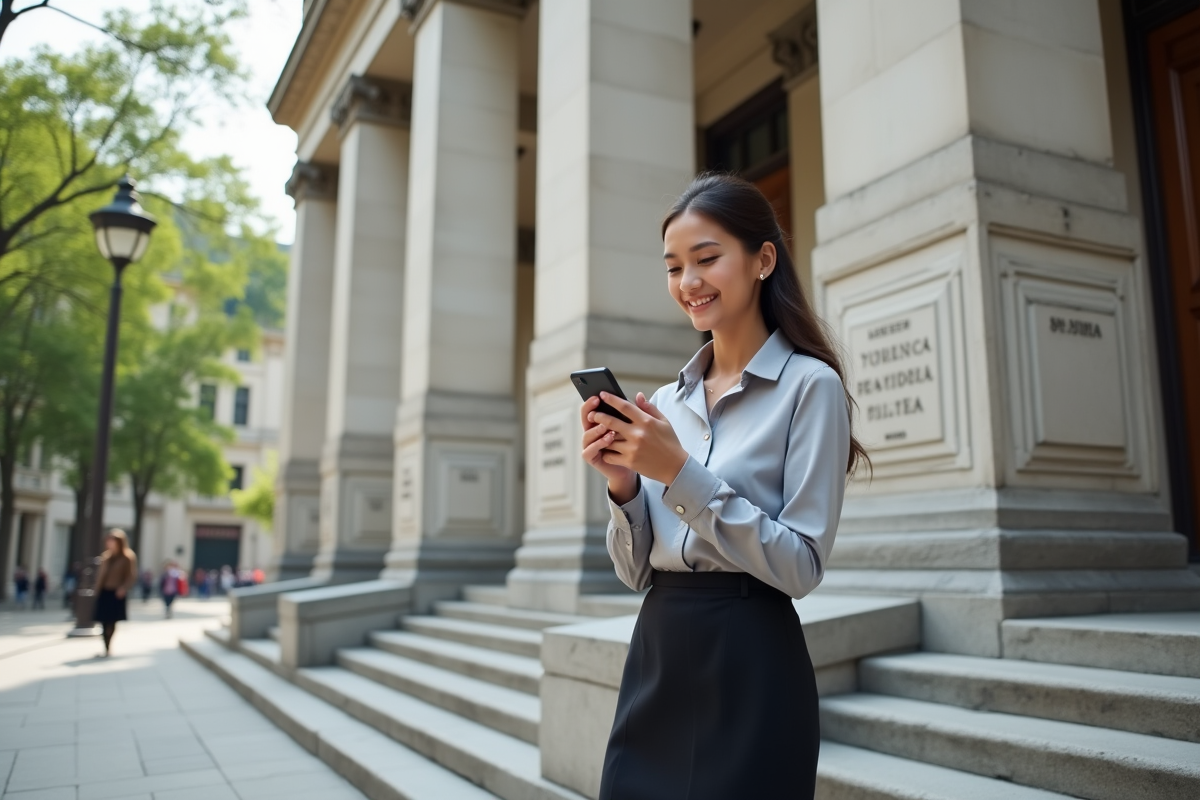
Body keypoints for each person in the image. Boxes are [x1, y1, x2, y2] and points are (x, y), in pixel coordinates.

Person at [582, 174, 867, 800]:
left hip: (752, 657)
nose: (689, 283)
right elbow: (635, 573)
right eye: (674, 267)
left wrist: (680, 474)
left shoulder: (809, 387)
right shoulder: (663, 402)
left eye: (707, 259)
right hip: (657, 651)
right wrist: (627, 487)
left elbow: (801, 566)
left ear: (763, 259)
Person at [92, 529, 138, 657]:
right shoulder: (106, 556)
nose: (110, 543)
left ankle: (108, 647)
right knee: (102, 620)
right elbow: (101, 576)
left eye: (112, 540)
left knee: (112, 620)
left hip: (116, 592)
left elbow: (131, 575)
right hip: (104, 591)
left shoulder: (127, 557)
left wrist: (123, 588)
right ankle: (105, 646)